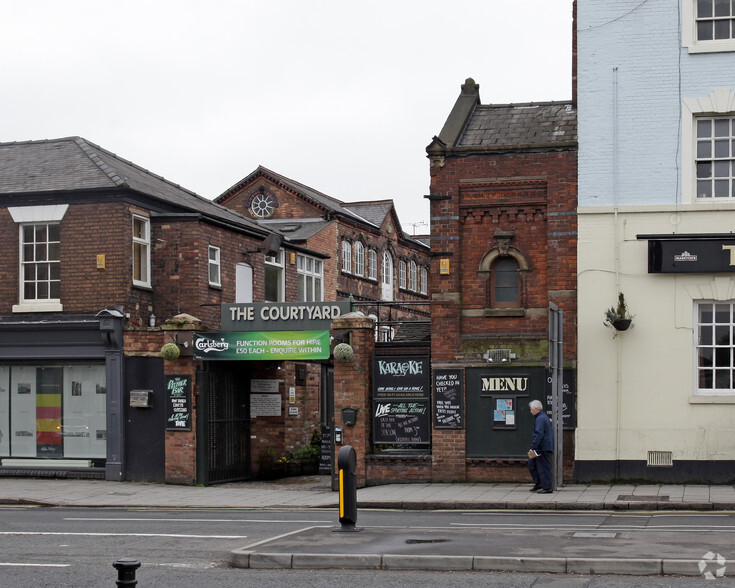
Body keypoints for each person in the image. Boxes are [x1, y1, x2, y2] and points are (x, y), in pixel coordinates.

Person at [527, 399, 554, 494]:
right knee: (532, 463)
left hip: (541, 447)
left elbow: (539, 434)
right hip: (540, 447)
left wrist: (533, 447)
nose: (530, 411)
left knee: (543, 466)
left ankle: (547, 487)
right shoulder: (541, 417)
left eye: (531, 409)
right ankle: (539, 483)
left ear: (536, 409)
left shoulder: (540, 419)